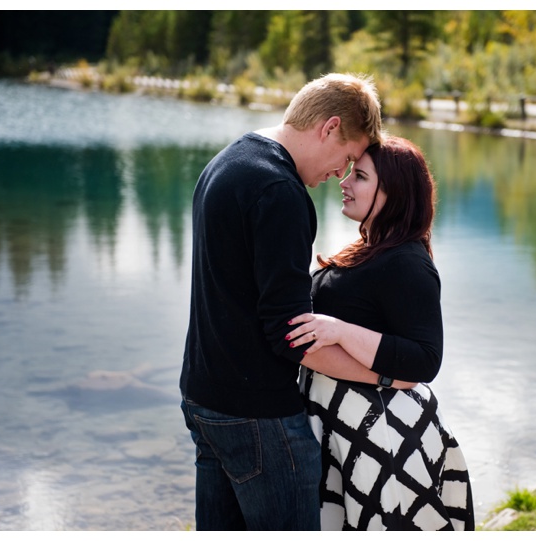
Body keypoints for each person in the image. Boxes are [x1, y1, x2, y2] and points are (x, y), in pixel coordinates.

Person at [179, 73, 386, 531]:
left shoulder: (228, 160)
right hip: (257, 415)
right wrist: (385, 376)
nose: (341, 174)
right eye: (347, 157)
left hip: (202, 397)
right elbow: (292, 335)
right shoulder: (281, 193)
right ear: (329, 127)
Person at [287, 136, 475, 531]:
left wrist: (340, 331)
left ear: (394, 193)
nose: (345, 182)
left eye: (360, 176)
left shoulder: (407, 261)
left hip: (381, 436)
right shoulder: (369, 248)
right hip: (347, 427)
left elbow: (424, 359)